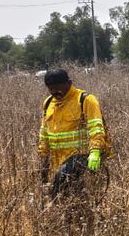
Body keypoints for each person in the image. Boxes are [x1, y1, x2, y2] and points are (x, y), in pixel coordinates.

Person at [38, 69, 108, 199]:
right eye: (50, 89)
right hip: (57, 161)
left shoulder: (85, 100)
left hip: (81, 158)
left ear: (69, 83)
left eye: (57, 88)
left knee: (62, 194)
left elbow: (96, 128)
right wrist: (44, 157)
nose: (54, 92)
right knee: (65, 199)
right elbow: (44, 133)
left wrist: (95, 152)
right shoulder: (48, 103)